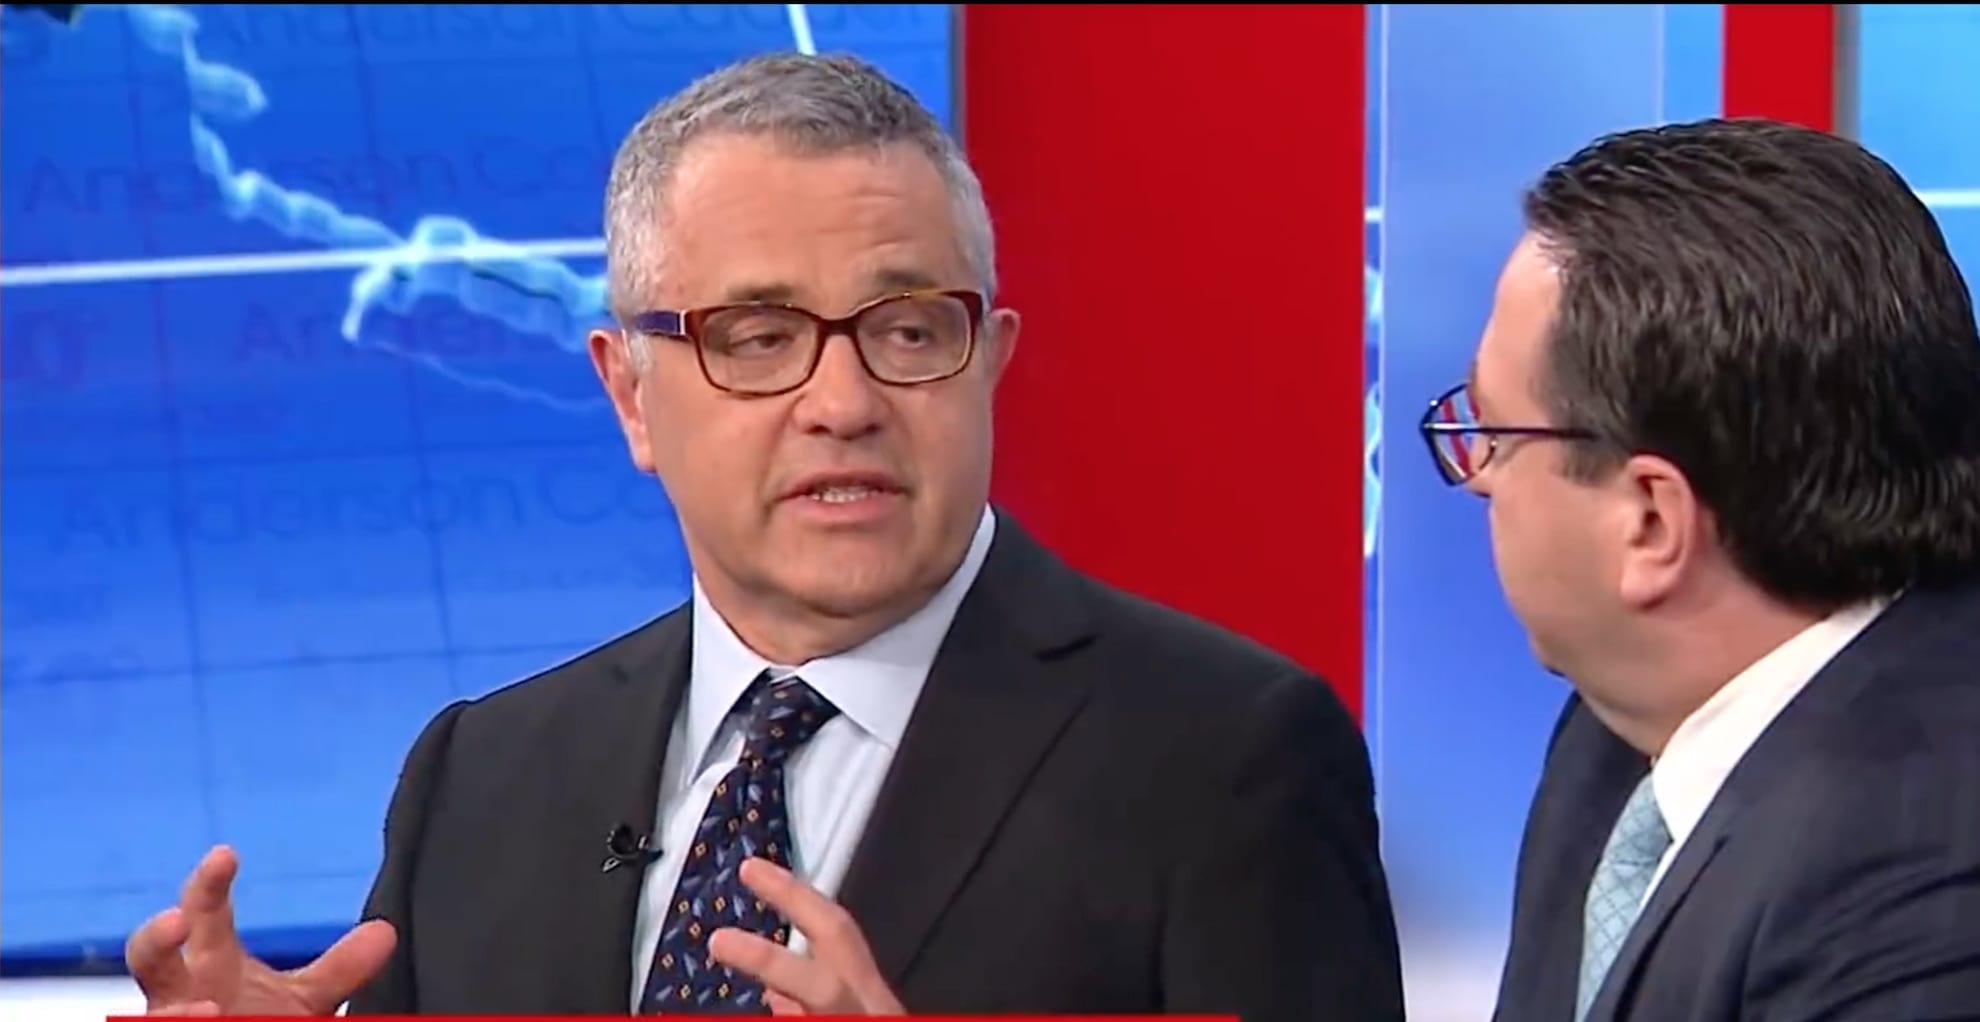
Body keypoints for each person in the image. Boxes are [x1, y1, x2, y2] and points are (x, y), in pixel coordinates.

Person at [124, 52, 1405, 1020]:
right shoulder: (480, 776)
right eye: (758, 337)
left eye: (909, 330)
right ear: (630, 393)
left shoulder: (1226, 760)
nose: (843, 402)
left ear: (988, 361)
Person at [1416, 116, 1980, 1022]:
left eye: (1495, 432)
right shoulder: (1614, 730)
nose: (1477, 474)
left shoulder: (1924, 878)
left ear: (1651, 521)